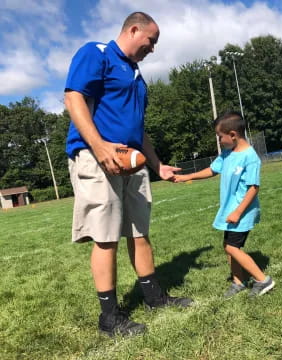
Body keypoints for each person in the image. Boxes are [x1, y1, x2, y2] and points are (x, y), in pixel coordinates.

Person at [64, 12, 192, 337]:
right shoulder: (98, 53)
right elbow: (74, 97)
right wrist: (101, 147)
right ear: (134, 30)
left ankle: (154, 297)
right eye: (151, 41)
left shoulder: (137, 76)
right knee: (106, 237)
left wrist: (157, 164)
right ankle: (109, 318)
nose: (153, 49)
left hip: (132, 162)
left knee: (139, 231)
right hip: (97, 157)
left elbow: (138, 130)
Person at [174, 111, 275, 298]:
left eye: (220, 137)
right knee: (228, 246)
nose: (219, 141)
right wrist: (187, 176)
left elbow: (253, 188)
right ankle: (238, 282)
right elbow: (212, 170)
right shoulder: (228, 154)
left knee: (232, 247)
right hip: (230, 211)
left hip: (242, 212)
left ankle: (263, 280)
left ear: (233, 135)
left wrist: (238, 212)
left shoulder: (250, 157)